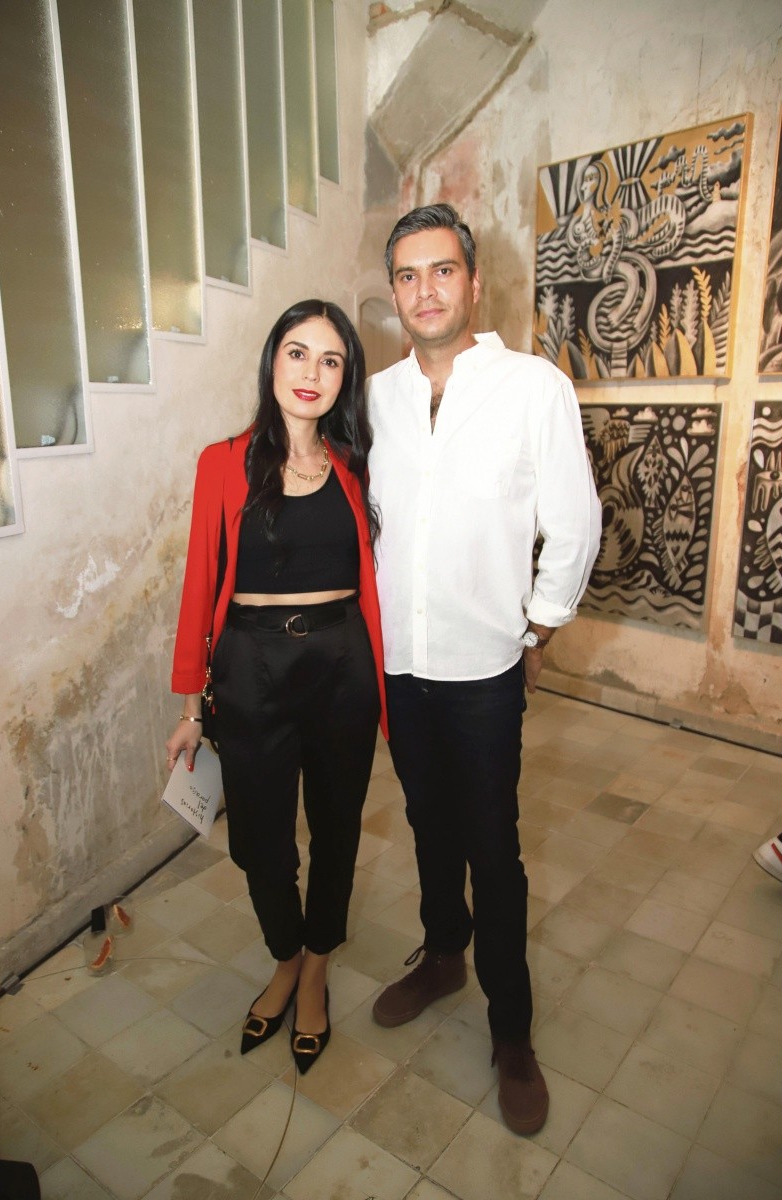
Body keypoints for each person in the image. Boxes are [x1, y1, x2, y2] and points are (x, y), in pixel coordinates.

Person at [367, 204, 601, 1134]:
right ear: (394, 293)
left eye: (442, 270)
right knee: (427, 824)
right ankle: (442, 955)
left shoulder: (533, 387)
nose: (425, 290)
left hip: (483, 668)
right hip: (400, 663)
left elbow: (574, 523)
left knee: (493, 848)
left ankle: (512, 1029)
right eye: (408, 275)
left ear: (474, 280)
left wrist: (538, 630)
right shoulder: (376, 398)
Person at [166, 299, 387, 1074]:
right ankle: (285, 955)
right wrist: (191, 707)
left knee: (337, 829)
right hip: (250, 667)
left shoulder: (355, 467)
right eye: (298, 353)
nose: (312, 373)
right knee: (261, 842)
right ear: (272, 362)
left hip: (342, 664)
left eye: (331, 360)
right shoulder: (222, 462)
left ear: (345, 378)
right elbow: (200, 585)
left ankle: (316, 965)